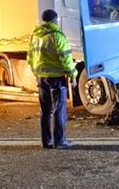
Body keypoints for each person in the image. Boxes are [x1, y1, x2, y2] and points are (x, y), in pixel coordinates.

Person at [27, 9, 78, 149]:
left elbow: (30, 58)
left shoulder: (35, 36)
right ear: (55, 21)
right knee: (58, 110)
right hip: (56, 79)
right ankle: (59, 141)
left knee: (45, 111)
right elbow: (66, 59)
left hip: (42, 79)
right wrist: (73, 75)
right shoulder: (57, 36)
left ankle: (46, 141)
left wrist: (37, 74)